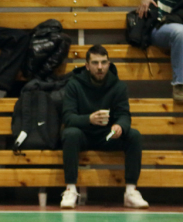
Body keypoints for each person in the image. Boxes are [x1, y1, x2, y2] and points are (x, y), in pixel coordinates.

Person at [61, 45, 149, 209]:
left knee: (134, 135)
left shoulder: (118, 86)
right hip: (83, 135)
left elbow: (124, 114)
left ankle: (131, 192)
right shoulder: (74, 85)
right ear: (87, 66)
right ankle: (70, 190)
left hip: (107, 136)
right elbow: (68, 117)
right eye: (95, 63)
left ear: (109, 64)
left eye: (103, 62)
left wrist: (119, 126)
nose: (100, 67)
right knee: (70, 134)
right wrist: (89, 119)